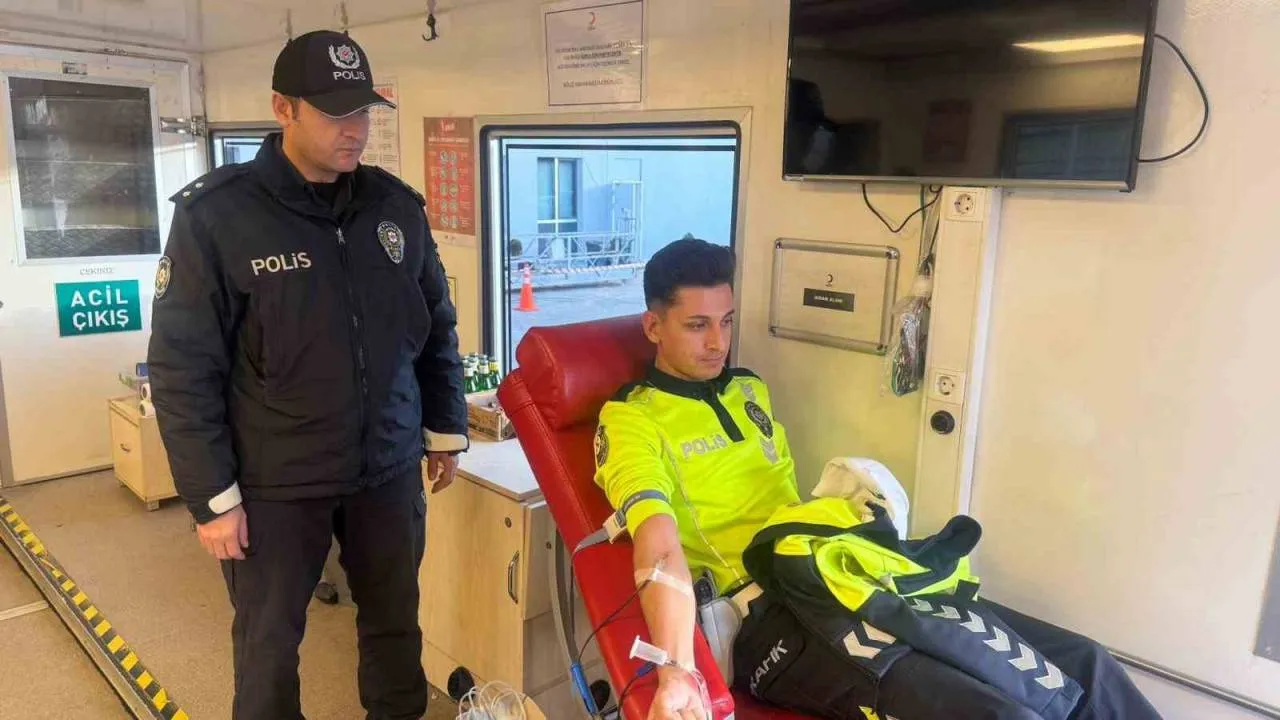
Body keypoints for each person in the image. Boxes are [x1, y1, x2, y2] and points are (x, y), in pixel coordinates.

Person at [593, 239, 1159, 720]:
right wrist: (676, 668)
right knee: (1003, 712)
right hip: (767, 619)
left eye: (726, 321)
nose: (718, 342)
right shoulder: (631, 420)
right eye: (697, 326)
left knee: (1086, 664)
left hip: (837, 569)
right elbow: (658, 544)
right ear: (653, 326)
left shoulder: (748, 390)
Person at [148, 30, 468, 720]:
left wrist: (444, 429)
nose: (355, 130)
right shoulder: (217, 216)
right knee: (268, 648)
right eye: (334, 113)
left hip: (386, 466)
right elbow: (182, 367)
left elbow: (435, 324)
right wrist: (212, 497)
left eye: (363, 112)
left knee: (395, 625)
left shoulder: (395, 208)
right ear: (283, 108)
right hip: (276, 480)